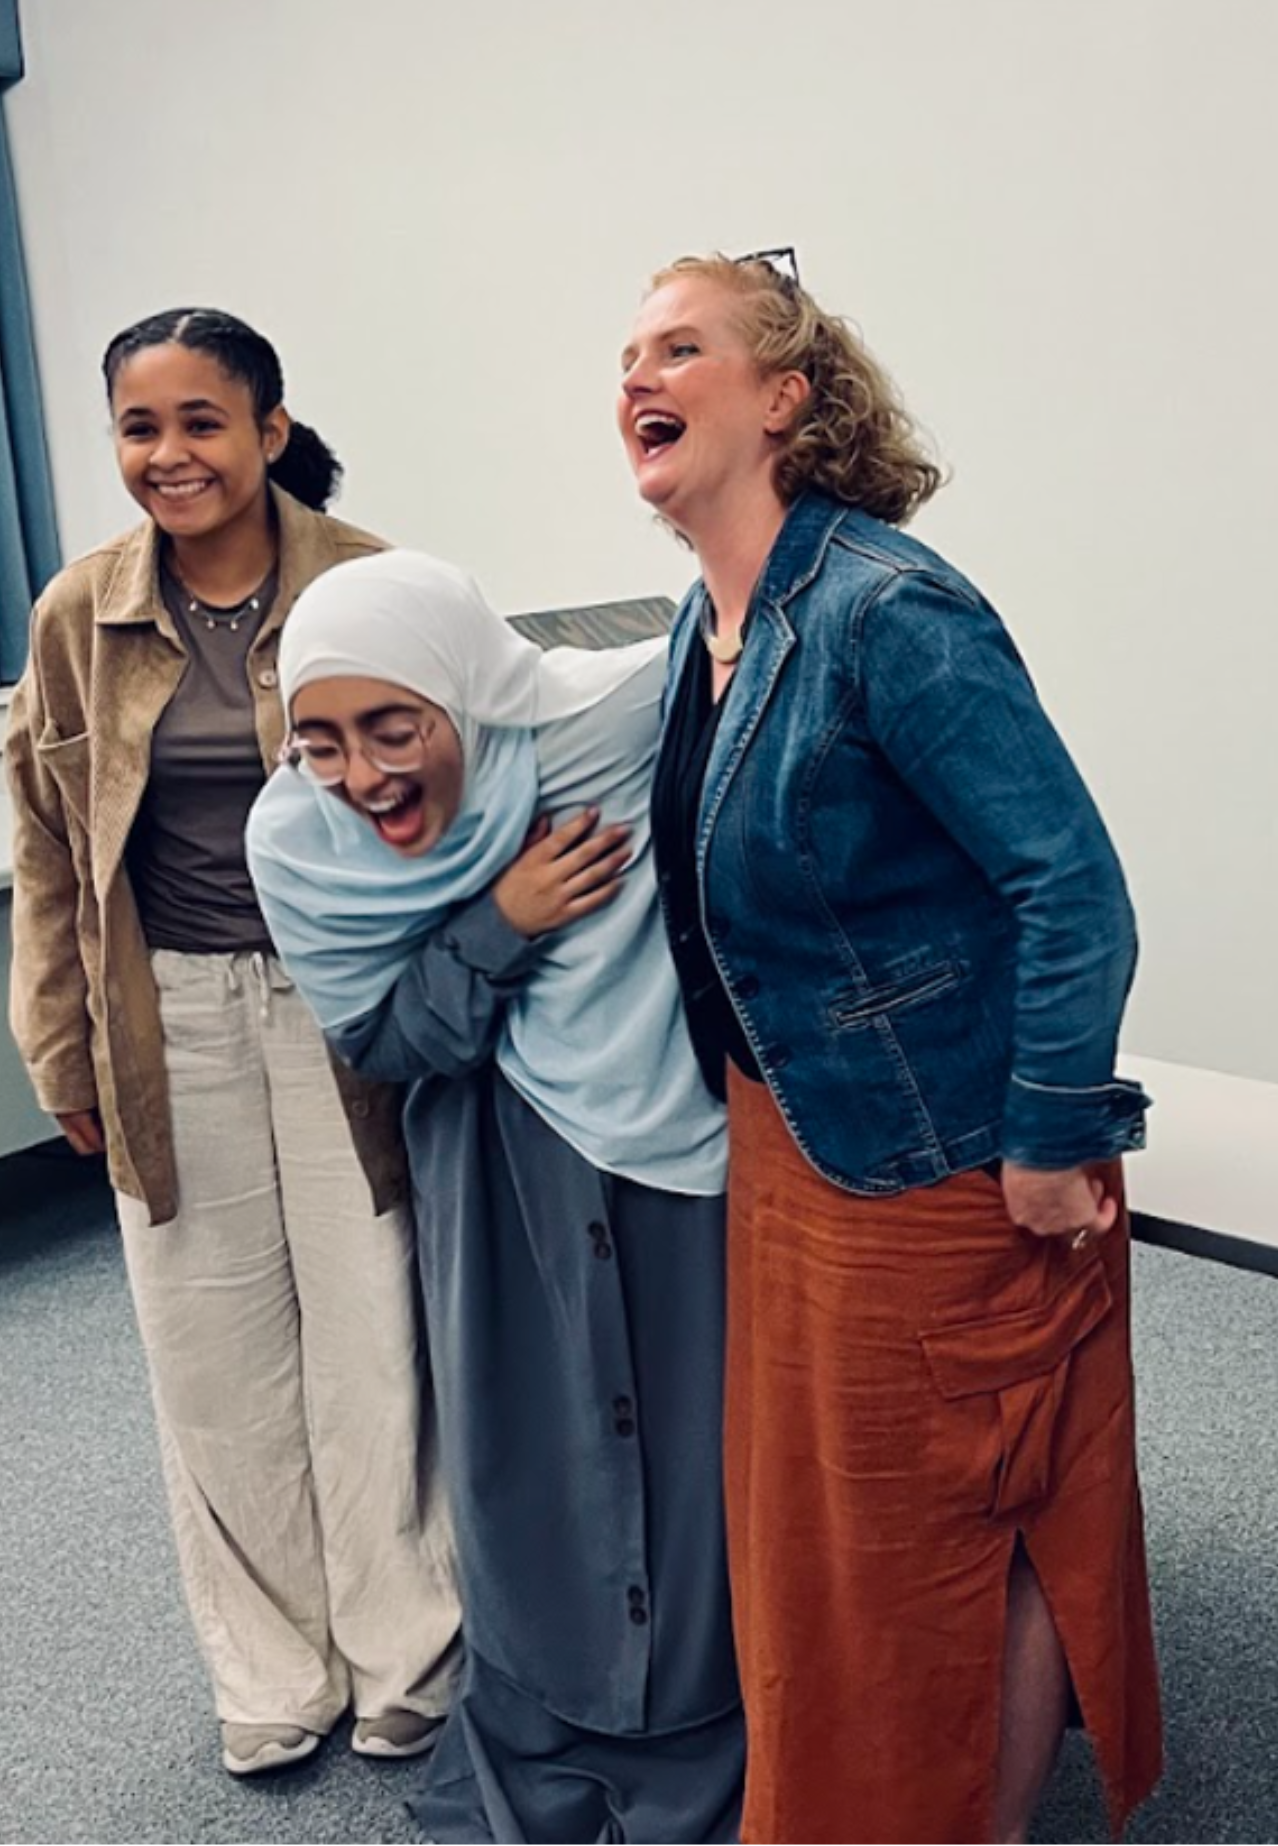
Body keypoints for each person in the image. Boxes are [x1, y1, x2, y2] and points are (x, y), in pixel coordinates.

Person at [618, 251, 1164, 1845]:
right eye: (626, 355)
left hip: (939, 1162)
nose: (638, 377)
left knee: (946, 1533)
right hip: (800, 1142)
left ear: (786, 398)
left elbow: (1073, 884)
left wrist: (1055, 1133)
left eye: (682, 346)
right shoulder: (705, 621)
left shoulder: (886, 608)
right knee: (839, 1554)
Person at [5, 309, 461, 1777]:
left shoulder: (375, 582)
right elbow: (47, 853)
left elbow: (467, 797)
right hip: (168, 1015)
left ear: (268, 430)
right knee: (213, 1358)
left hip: (346, 1012)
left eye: (202, 422)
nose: (170, 454)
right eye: (141, 428)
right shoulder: (81, 613)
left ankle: (408, 1657)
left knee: (374, 1339)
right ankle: (272, 1670)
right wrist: (61, 1052)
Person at [246, 549, 744, 1844]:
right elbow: (384, 1037)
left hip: (674, 1146)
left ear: (467, 693)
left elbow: (734, 637)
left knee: (699, 1452)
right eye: (321, 740)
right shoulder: (302, 847)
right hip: (500, 1173)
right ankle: (555, 1733)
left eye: (393, 725)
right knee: (534, 1462)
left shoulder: (593, 731)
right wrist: (499, 919)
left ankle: (711, 1734)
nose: (361, 776)